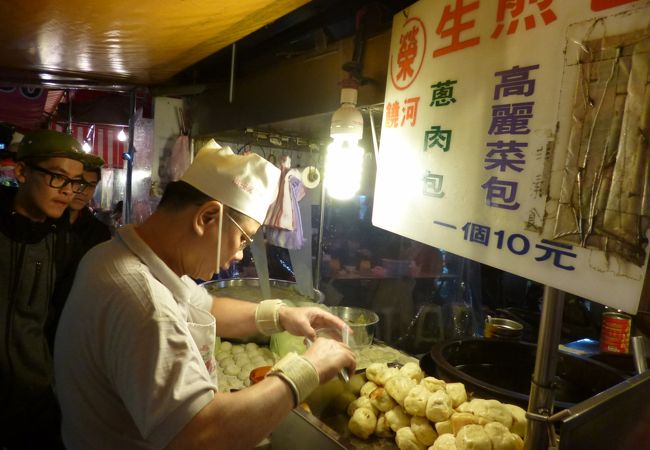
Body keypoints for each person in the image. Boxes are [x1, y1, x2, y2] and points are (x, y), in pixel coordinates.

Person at [54, 141, 357, 450]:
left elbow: (209, 307)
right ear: (207, 217)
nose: (240, 254)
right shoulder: (143, 300)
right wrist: (308, 369)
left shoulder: (114, 255)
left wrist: (281, 315)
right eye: (242, 238)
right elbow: (200, 434)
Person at [0, 129, 90, 449]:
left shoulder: (66, 246)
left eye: (76, 182)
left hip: (37, 404)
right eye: (57, 177)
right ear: (22, 172)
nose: (68, 191)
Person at [67, 154, 112, 257]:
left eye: (91, 185)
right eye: (79, 183)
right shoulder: (42, 224)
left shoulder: (99, 232)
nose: (84, 191)